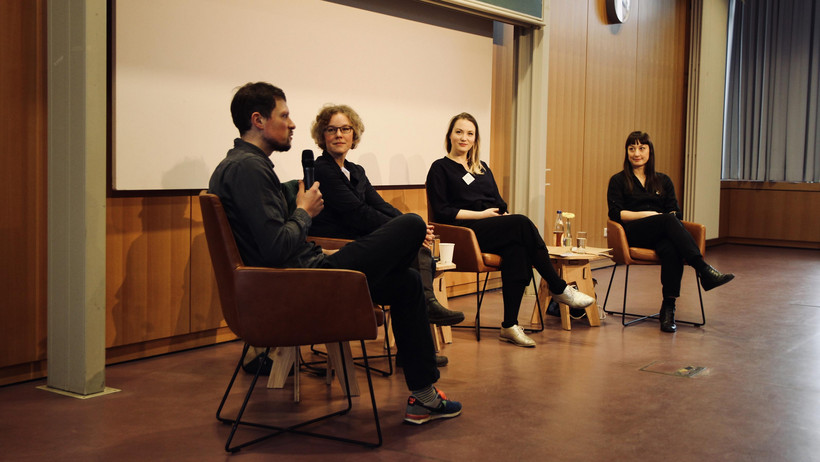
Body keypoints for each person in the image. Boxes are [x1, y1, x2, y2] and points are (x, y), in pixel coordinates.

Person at [209, 82, 461, 425]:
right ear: (258, 120)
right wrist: (304, 211)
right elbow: (276, 248)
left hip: (306, 272)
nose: (292, 123)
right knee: (414, 225)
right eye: (284, 115)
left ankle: (424, 396)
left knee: (406, 283)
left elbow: (279, 244)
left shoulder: (243, 165)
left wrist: (309, 232)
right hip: (301, 285)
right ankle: (426, 380)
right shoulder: (248, 170)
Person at [426, 112, 596, 348]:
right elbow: (442, 211)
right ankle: (558, 287)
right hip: (465, 232)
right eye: (459, 132)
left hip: (491, 227)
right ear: (450, 135)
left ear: (475, 139)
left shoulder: (482, 168)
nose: (464, 137)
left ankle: (509, 325)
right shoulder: (440, 168)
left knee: (517, 248)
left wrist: (500, 215)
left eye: (470, 133)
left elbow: (499, 202)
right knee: (522, 223)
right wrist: (482, 215)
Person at [308, 104, 465, 331]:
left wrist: (410, 228)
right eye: (332, 130)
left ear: (354, 135)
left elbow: (379, 204)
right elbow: (357, 213)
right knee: (412, 249)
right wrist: (406, 229)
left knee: (413, 250)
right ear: (322, 136)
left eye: (345, 129)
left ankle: (420, 326)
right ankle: (427, 306)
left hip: (361, 239)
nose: (339, 135)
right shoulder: (321, 168)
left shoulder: (356, 170)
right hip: (340, 247)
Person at [607, 131, 734, 332]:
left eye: (641, 148)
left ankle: (668, 307)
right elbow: (616, 213)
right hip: (633, 233)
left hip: (662, 233)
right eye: (632, 149)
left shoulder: (663, 181)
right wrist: (649, 215)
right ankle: (703, 269)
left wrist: (663, 218)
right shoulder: (618, 180)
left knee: (671, 248)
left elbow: (675, 210)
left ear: (650, 151)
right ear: (627, 152)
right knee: (667, 219)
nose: (636, 153)